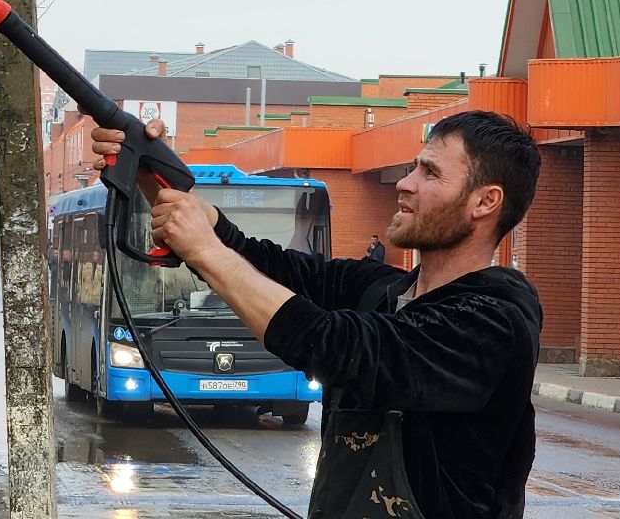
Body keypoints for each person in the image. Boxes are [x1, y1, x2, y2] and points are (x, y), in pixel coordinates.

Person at [91, 108, 542, 519]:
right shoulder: (383, 289)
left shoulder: (492, 320)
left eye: (430, 173)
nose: (406, 183)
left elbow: (331, 343)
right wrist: (154, 178)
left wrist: (207, 251)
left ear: (485, 202)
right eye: (413, 167)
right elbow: (263, 263)